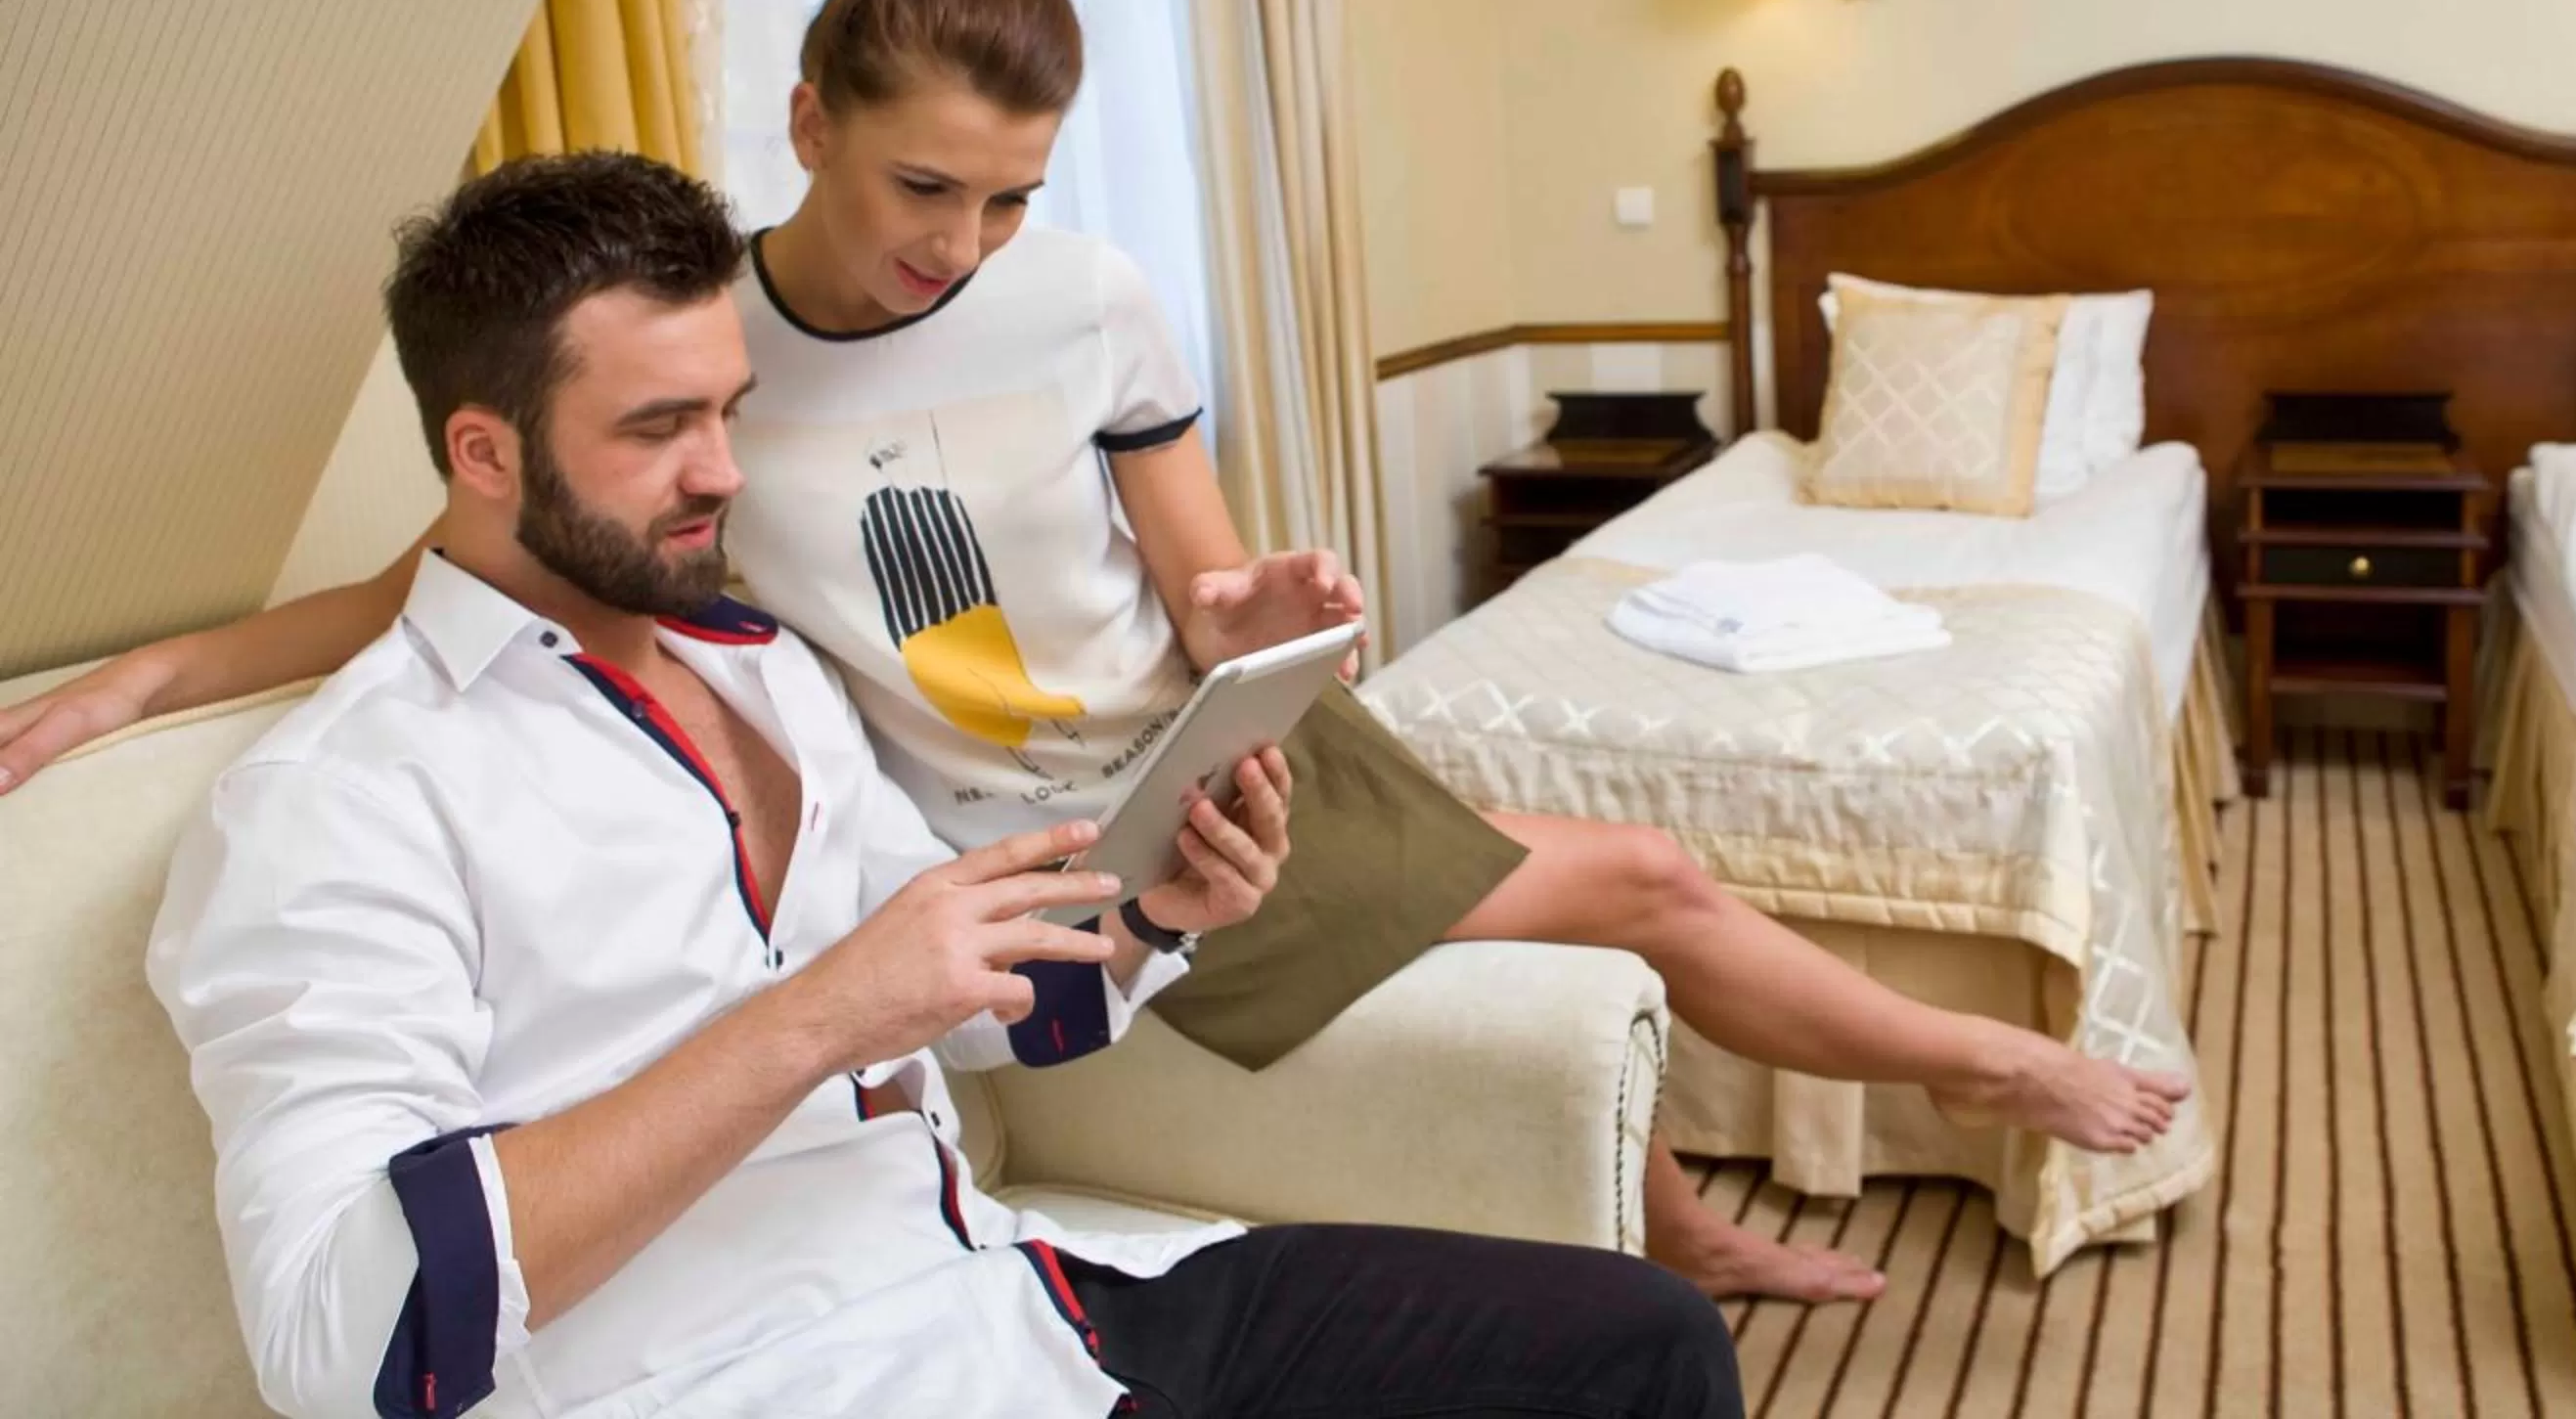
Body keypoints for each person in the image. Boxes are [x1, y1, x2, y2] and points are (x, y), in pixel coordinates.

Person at [7, 0, 2189, 1305]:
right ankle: (1908, 1105)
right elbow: (450, 564)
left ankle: (1785, 1159)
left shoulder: (1095, 301)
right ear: (806, 121)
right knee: (1636, 885)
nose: (958, 245)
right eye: (920, 186)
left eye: (1010, 195)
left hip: (1201, 761)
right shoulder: (700, 353)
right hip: (1012, 846)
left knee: (1647, 882)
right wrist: (143, 672)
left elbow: (1205, 578)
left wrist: (1264, 622)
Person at [147, 156, 1742, 1418]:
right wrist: (816, 1016)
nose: (723, 470)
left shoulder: (760, 667)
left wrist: (1146, 919)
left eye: (728, 411)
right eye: (656, 427)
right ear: (484, 455)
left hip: (1013, 1296)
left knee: (1641, 1345)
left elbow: (973, 997)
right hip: (751, 1379)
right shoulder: (336, 799)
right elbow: (345, 1338)